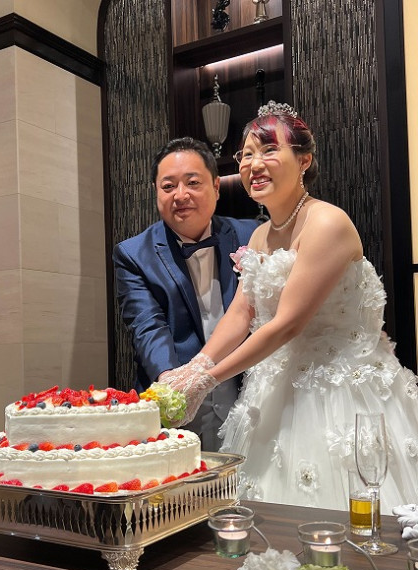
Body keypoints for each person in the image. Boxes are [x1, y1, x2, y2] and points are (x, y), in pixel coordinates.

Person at [162, 101, 418, 513]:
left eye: (269, 150)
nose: (253, 164)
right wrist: (195, 366)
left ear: (304, 160)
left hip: (342, 394)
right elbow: (242, 313)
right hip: (277, 391)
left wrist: (206, 380)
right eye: (246, 154)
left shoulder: (327, 223)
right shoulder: (260, 235)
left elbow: (286, 324)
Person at [113, 137, 260, 450]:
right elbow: (147, 325)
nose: (181, 195)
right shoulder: (133, 254)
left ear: (216, 187)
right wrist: (173, 385)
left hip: (252, 404)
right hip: (178, 417)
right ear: (156, 191)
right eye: (168, 186)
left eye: (193, 182)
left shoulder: (254, 235)